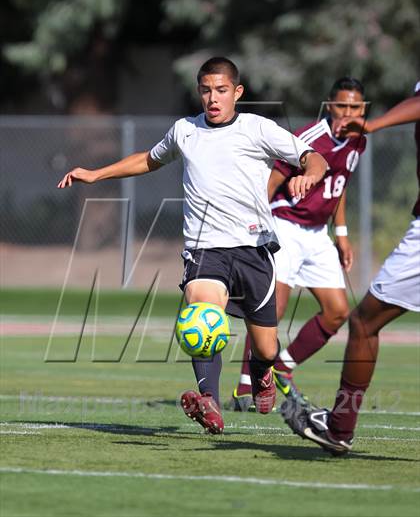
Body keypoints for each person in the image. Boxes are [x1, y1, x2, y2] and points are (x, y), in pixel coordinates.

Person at [58, 57, 327, 434]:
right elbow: (149, 160)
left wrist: (312, 174)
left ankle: (262, 373)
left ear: (237, 93)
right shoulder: (185, 130)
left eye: (221, 90)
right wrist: (96, 174)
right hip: (205, 250)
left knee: (266, 348)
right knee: (202, 319)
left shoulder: (257, 128)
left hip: (254, 250)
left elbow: (311, 157)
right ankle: (210, 404)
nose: (212, 98)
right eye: (205, 90)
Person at [281, 82, 420, 455]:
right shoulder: (317, 136)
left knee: (362, 322)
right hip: (292, 226)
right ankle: (259, 378)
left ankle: (340, 427)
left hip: (318, 232)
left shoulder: (360, 137)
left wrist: (373, 125)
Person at [230, 77, 367, 412]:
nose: (348, 113)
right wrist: (253, 226)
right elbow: (273, 181)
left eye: (356, 107)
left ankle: (282, 367)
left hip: (318, 234)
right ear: (329, 106)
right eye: (342, 106)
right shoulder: (309, 138)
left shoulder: (357, 140)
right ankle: (246, 387)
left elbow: (340, 185)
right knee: (272, 311)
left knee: (337, 312)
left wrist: (343, 234)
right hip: (285, 226)